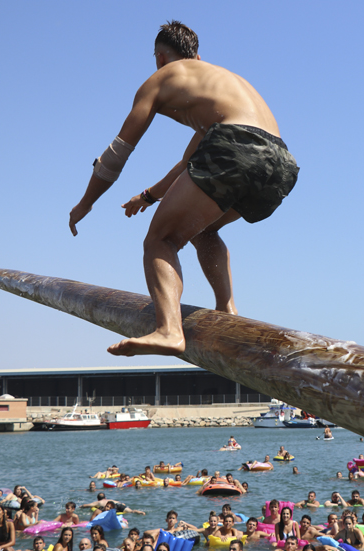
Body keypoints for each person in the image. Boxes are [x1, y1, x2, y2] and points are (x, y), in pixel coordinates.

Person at [69, 20, 300, 358]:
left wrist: (86, 203)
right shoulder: (219, 87)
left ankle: (169, 330)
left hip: (235, 148)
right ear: (197, 57)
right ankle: (227, 309)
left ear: (161, 58)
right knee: (203, 230)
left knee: (160, 240)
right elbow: (191, 165)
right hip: (280, 164)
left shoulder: (162, 78)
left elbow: (117, 153)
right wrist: (149, 196)